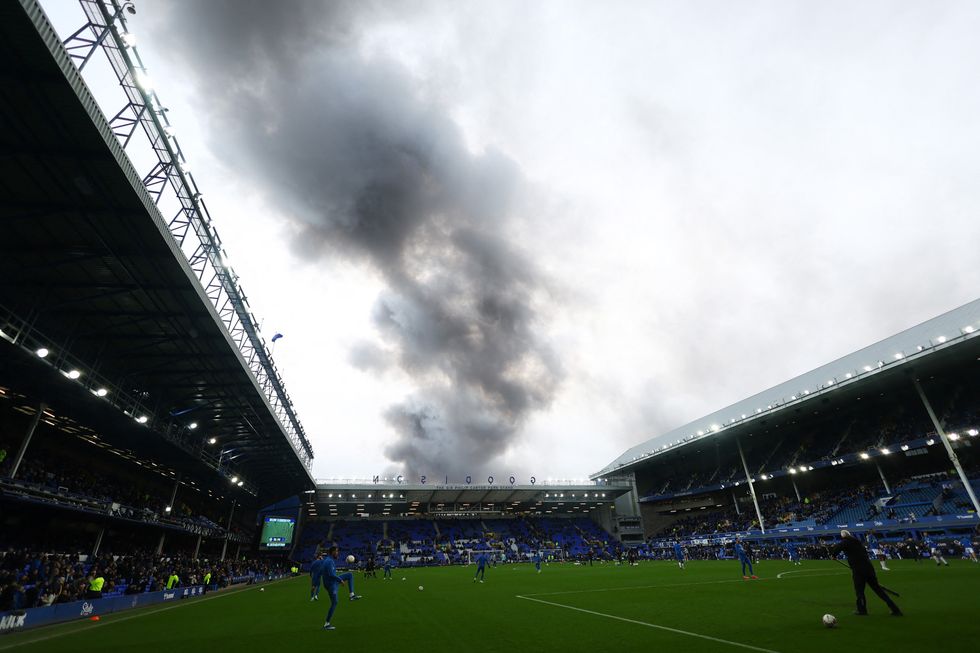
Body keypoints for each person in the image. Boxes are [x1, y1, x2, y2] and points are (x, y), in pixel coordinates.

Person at [830, 530, 902, 617]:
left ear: (843, 536)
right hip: (869, 568)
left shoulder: (845, 542)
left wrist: (833, 555)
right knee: (878, 590)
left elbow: (837, 548)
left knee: (859, 591)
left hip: (858, 570)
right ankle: (895, 608)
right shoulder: (858, 542)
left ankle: (862, 610)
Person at [321, 546, 362, 631]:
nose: (337, 553)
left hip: (332, 582)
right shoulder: (329, 562)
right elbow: (331, 575)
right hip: (331, 584)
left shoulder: (329, 560)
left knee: (349, 575)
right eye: (336, 551)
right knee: (334, 603)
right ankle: (326, 624)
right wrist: (340, 580)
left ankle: (351, 595)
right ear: (332, 552)